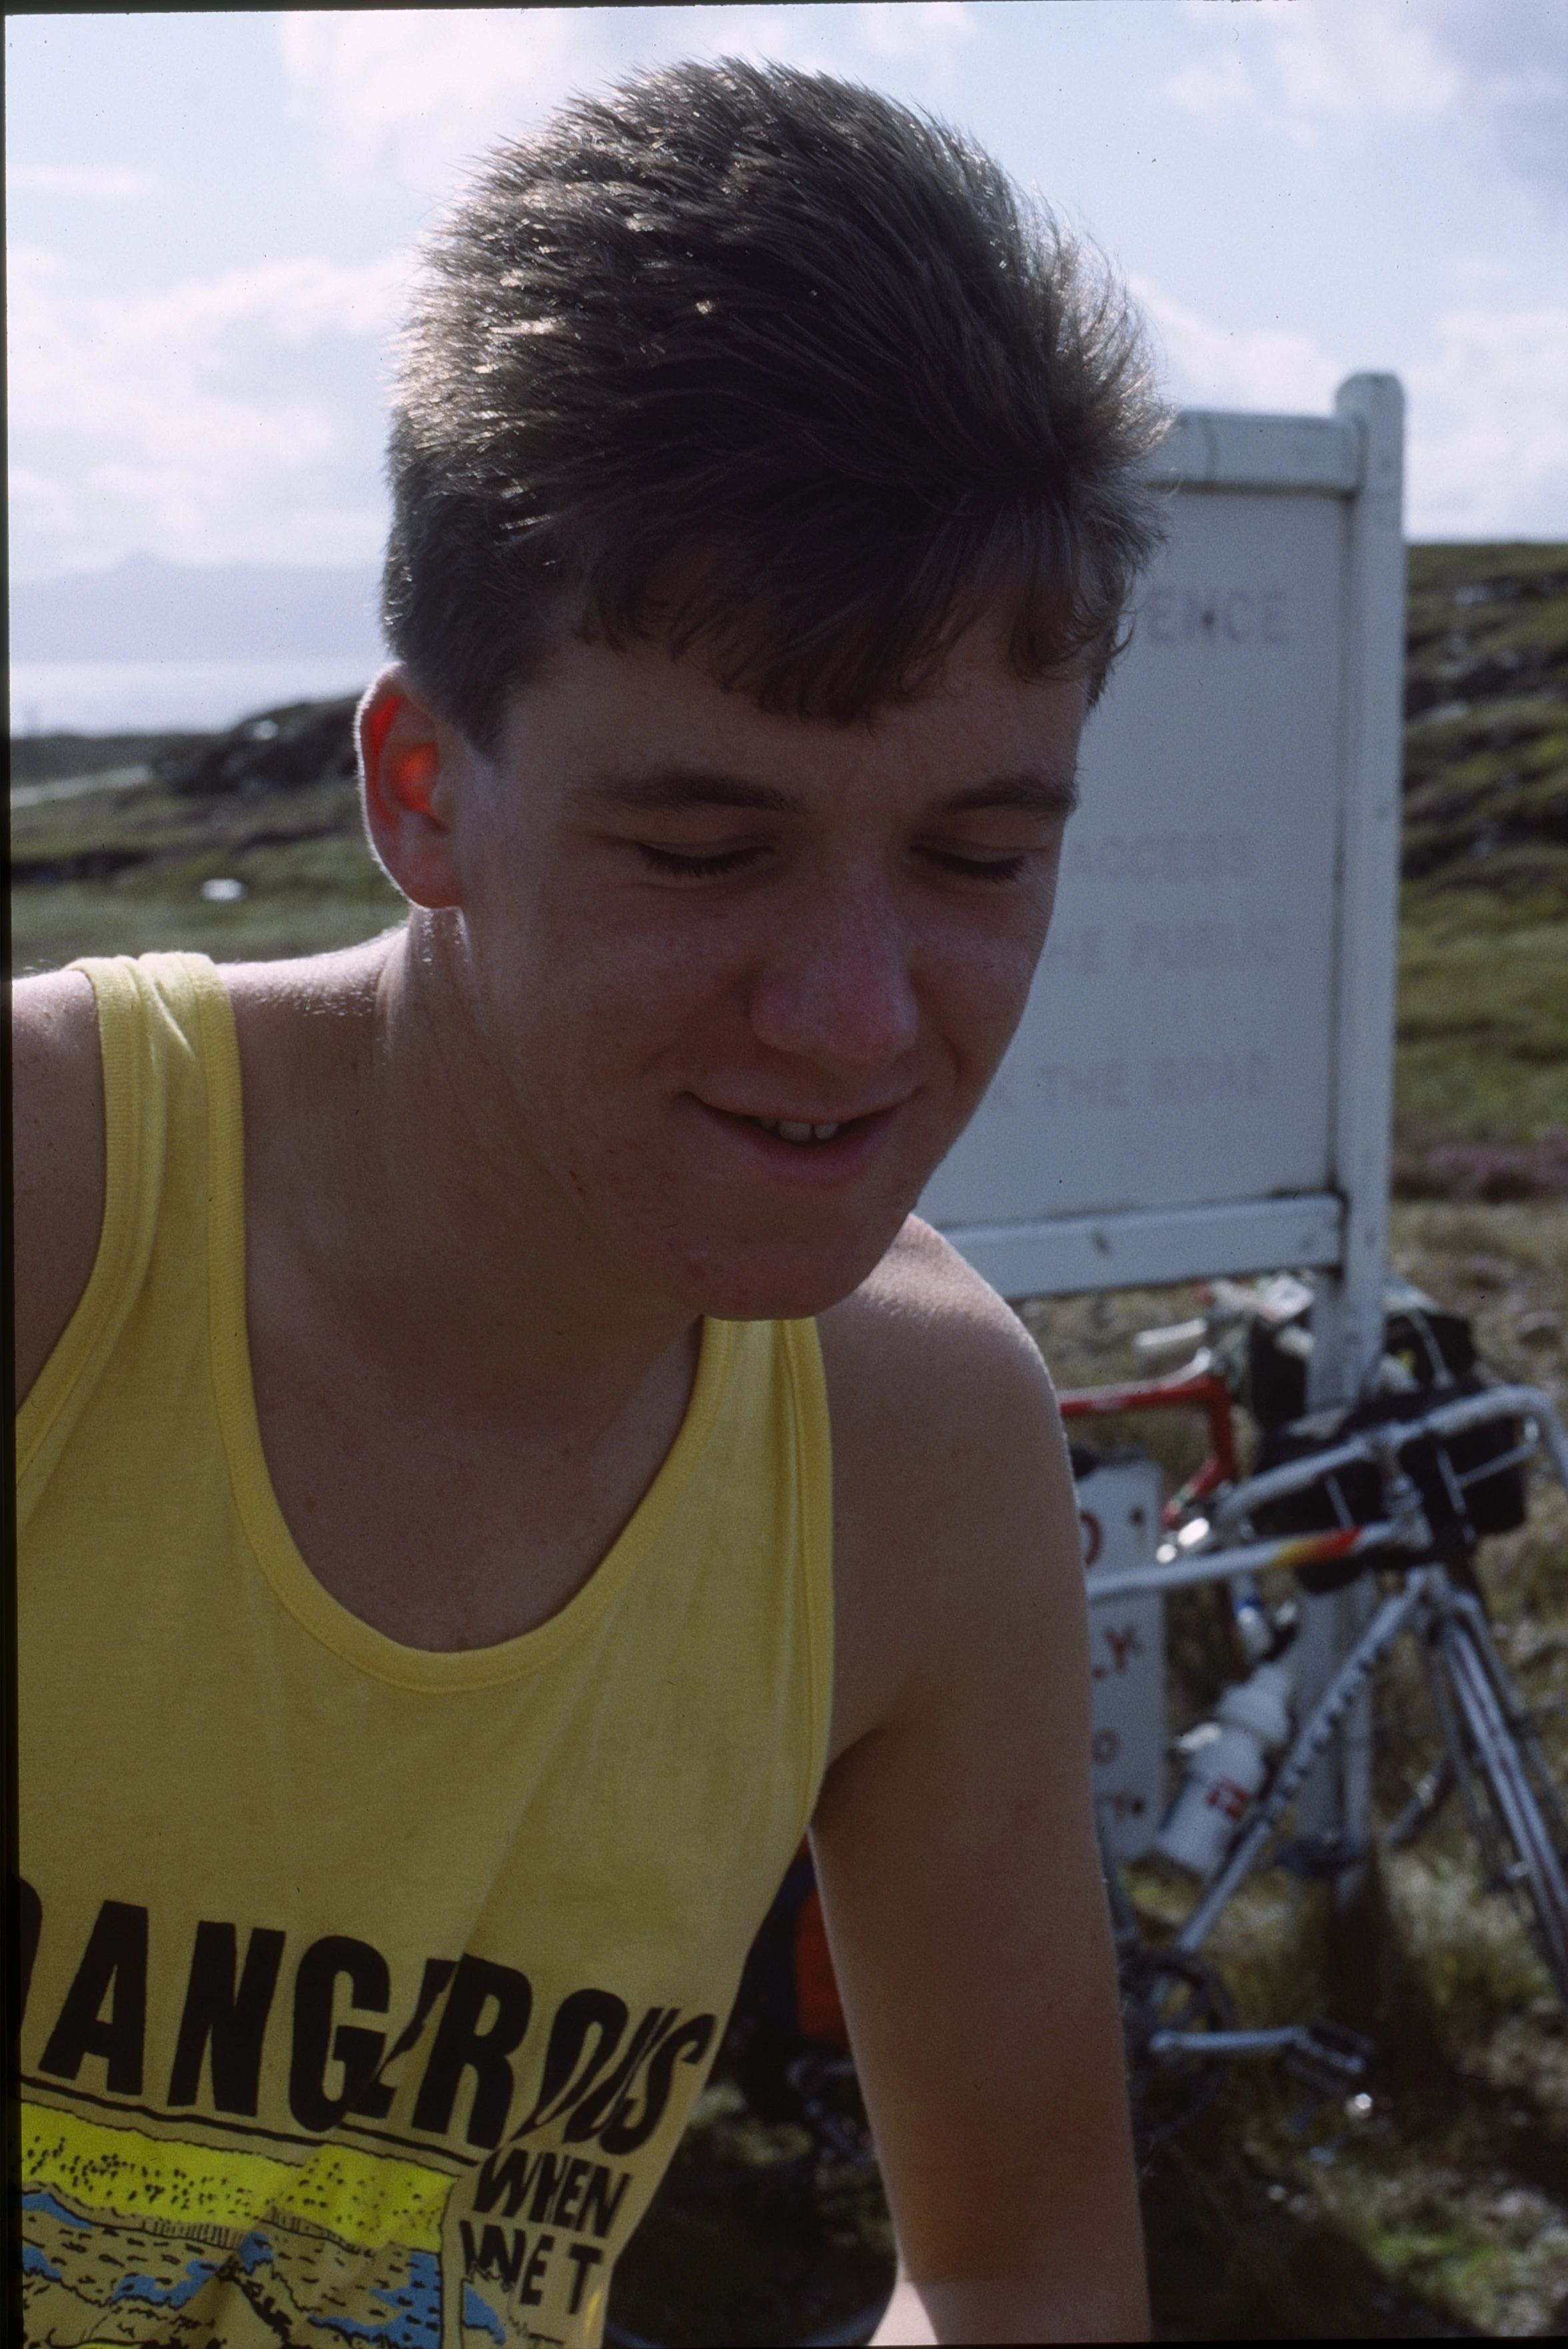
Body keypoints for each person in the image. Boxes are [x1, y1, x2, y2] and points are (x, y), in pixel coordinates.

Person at [13, 60, 1165, 2348]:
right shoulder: (57, 1214)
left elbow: (1024, 2265)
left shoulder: (917, 1458)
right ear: (423, 790)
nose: (855, 1019)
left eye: (978, 856)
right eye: (702, 849)